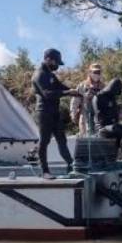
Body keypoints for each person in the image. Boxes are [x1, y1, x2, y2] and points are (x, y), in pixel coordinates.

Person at [32, 48, 79, 179]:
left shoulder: (50, 74)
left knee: (62, 139)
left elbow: (61, 87)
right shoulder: (39, 74)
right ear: (48, 59)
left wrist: (77, 92)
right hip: (44, 112)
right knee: (44, 141)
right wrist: (67, 92)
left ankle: (71, 165)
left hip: (54, 112)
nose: (57, 65)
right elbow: (47, 94)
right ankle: (45, 171)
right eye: (56, 62)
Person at [70, 63, 105, 137]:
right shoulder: (82, 85)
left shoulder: (103, 87)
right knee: (86, 136)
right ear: (90, 73)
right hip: (85, 116)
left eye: (98, 72)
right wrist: (73, 113)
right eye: (95, 72)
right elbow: (75, 101)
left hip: (99, 116)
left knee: (99, 137)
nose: (97, 74)